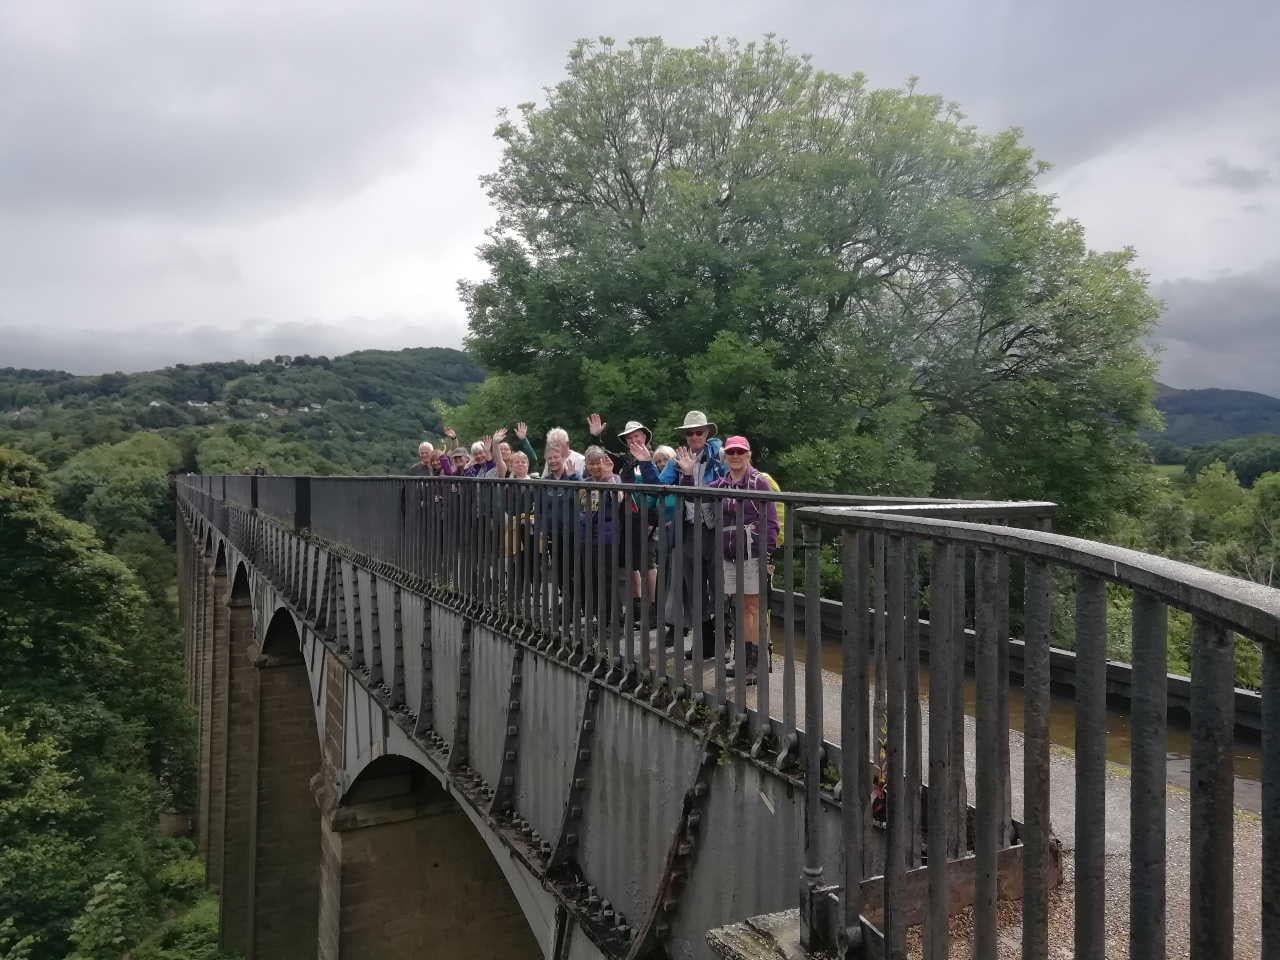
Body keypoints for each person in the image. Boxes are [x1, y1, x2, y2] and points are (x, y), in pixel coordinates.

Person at [655, 410, 728, 658]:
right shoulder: (678, 458)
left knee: (719, 585)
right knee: (694, 586)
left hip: (715, 530)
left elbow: (728, 487)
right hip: (688, 528)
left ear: (707, 433)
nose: (694, 436)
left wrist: (690, 478)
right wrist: (646, 461)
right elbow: (658, 488)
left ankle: (723, 643)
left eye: (699, 432)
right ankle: (704, 643)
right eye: (690, 433)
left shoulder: (720, 457)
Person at [709, 436, 778, 685]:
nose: (735, 456)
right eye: (731, 452)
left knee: (752, 607)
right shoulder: (722, 483)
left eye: (740, 452)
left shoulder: (759, 483)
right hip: (730, 552)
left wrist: (766, 552)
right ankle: (746, 659)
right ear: (725, 457)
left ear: (748, 455)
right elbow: (701, 495)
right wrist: (686, 474)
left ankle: (755, 664)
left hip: (752, 553)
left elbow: (771, 522)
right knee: (739, 606)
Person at [587, 414, 659, 624]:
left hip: (647, 518)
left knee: (648, 563)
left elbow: (658, 485)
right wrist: (595, 438)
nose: (633, 440)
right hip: (626, 517)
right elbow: (603, 455)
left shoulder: (653, 459)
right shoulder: (624, 460)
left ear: (644, 437)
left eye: (636, 436)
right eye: (629, 438)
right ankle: (637, 605)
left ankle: (653, 607)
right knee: (630, 562)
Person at [577, 446, 622, 637]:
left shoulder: (614, 479)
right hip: (587, 536)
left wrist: (608, 476)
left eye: (598, 462)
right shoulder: (584, 483)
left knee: (608, 580)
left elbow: (619, 498)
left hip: (607, 536)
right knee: (592, 578)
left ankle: (614, 622)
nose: (595, 466)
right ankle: (599, 618)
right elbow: (582, 508)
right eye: (591, 463)